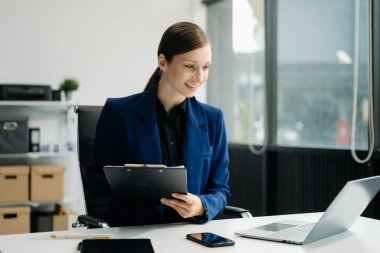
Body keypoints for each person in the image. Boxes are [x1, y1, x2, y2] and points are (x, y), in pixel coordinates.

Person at [85, 21, 231, 226]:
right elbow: (93, 183)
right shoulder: (118, 112)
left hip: (188, 235)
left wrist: (202, 205)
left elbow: (221, 190)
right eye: (190, 66)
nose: (199, 77)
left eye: (205, 67)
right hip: (134, 235)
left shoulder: (213, 119)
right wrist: (127, 178)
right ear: (163, 62)